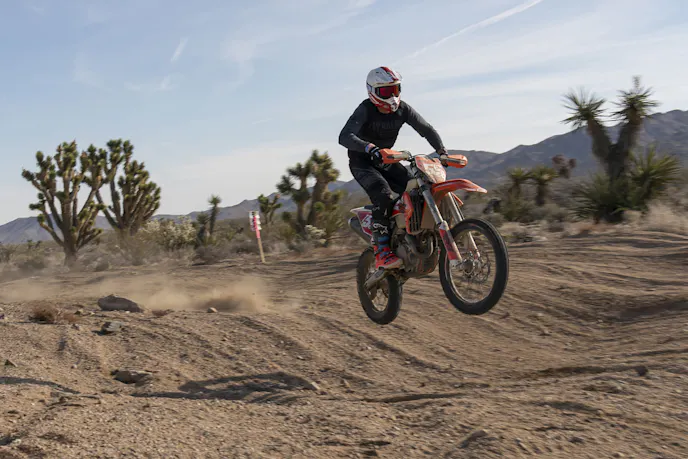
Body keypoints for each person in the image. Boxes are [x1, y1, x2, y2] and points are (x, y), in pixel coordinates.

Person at [339, 66, 447, 270]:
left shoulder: (403, 109)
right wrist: (369, 148)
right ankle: (381, 251)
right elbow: (344, 136)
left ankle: (410, 235)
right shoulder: (365, 109)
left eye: (396, 89)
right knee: (383, 195)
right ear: (372, 91)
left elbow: (426, 129)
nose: (392, 96)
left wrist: (442, 151)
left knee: (417, 189)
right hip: (362, 163)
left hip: (386, 161)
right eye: (386, 91)